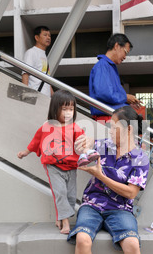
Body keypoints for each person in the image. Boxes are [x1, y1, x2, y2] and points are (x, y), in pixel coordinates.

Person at [67, 106, 153, 254]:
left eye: (113, 125)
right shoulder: (103, 146)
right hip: (92, 205)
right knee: (83, 239)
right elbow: (85, 146)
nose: (108, 128)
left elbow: (130, 193)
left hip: (120, 209)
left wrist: (99, 175)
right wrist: (81, 144)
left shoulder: (140, 157)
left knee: (133, 245)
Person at [17, 90, 98, 234]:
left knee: (71, 195)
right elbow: (36, 141)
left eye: (71, 109)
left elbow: (82, 141)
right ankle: (65, 223)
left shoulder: (75, 127)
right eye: (64, 109)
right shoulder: (47, 126)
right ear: (55, 109)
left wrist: (87, 151)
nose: (68, 112)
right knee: (60, 192)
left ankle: (60, 217)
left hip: (71, 166)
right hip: (53, 166)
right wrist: (26, 152)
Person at [89, 33, 141, 122]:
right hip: (107, 117)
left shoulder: (110, 67)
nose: (125, 57)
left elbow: (111, 95)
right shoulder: (102, 65)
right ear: (116, 46)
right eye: (125, 52)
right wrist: (125, 97)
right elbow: (104, 93)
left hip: (112, 116)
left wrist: (126, 103)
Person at [21, 25, 53, 97]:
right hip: (35, 96)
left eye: (49, 36)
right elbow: (25, 74)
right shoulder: (31, 52)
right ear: (37, 38)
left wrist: (53, 95)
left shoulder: (44, 55)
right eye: (45, 35)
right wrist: (25, 94)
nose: (48, 38)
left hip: (45, 97)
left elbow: (46, 78)